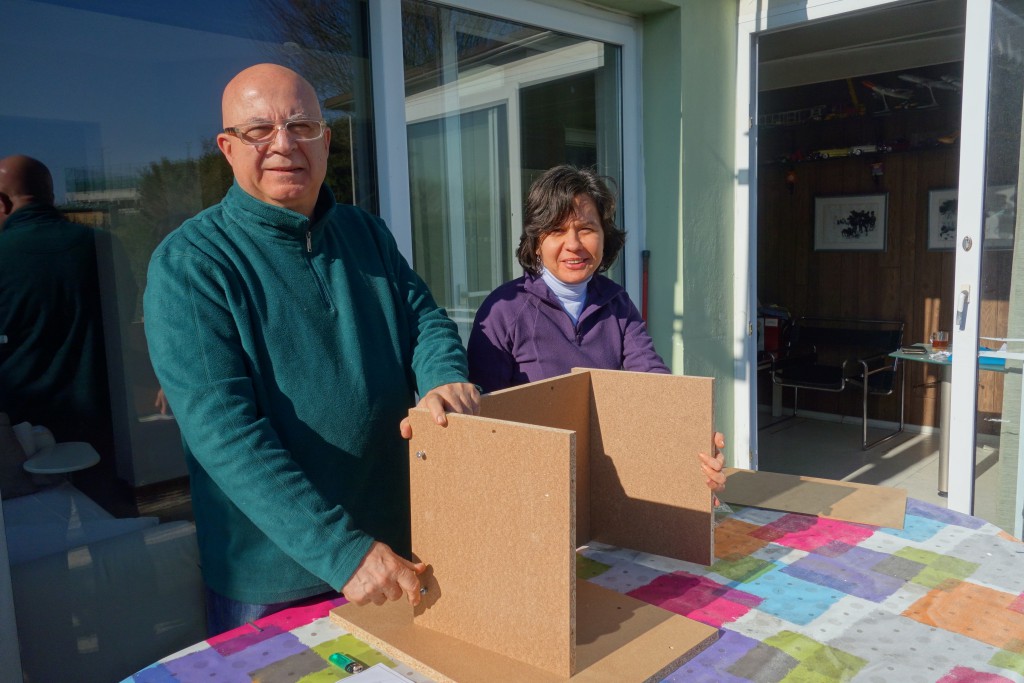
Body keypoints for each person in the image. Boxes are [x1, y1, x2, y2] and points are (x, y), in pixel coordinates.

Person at [143, 63, 479, 634]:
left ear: (326, 140)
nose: (284, 144)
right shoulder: (192, 263)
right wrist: (342, 550)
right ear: (227, 147)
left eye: (301, 125)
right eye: (259, 130)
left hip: (396, 550)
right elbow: (226, 435)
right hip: (276, 577)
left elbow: (425, 318)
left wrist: (443, 375)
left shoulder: (366, 233)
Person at [468, 165, 725, 491]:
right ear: (536, 243)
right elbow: (482, 420)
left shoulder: (616, 303)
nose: (573, 244)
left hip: (606, 482)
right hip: (528, 486)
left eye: (586, 228)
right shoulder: (503, 310)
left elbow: (653, 383)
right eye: (557, 231)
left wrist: (693, 438)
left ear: (605, 238)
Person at [0, 155, 115, 462]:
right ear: (50, 196)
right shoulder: (105, 247)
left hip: (22, 435)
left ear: (2, 203)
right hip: (106, 425)